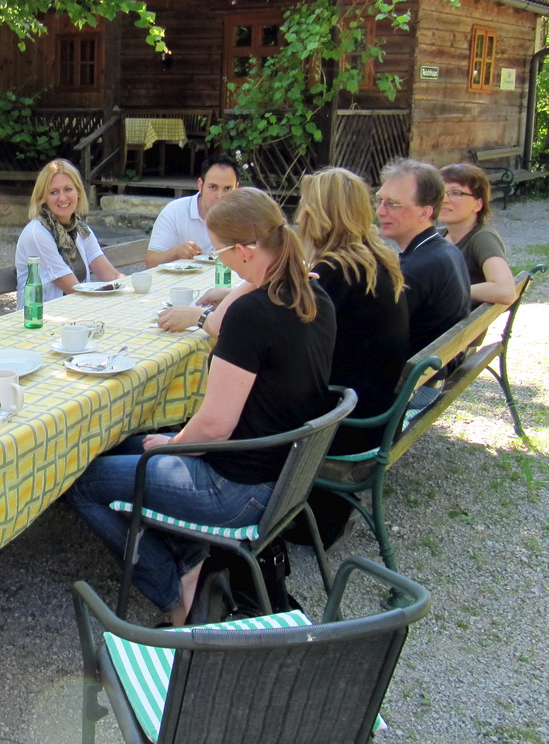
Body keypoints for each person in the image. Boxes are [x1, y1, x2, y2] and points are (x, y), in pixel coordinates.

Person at [67, 187, 335, 625]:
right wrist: (254, 275)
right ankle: (193, 558)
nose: (216, 257)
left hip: (237, 488)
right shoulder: (313, 293)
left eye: (219, 250)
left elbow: (213, 427)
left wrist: (173, 444)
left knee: (81, 480)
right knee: (119, 446)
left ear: (245, 251)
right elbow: (231, 312)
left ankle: (178, 595)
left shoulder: (253, 314)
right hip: (280, 473)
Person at [297, 167, 409, 439]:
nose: (298, 218)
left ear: (321, 216)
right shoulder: (374, 259)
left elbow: (291, 346)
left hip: (347, 423)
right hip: (376, 409)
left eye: (304, 207)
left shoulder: (336, 271)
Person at [375, 158, 470, 353]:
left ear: (424, 213)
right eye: (380, 200)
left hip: (416, 370)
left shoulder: (417, 269)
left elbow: (376, 336)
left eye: (392, 204)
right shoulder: (445, 250)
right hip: (435, 363)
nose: (380, 211)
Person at [14, 158, 123, 305]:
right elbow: (74, 288)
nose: (62, 197)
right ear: (43, 198)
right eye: (53, 192)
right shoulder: (37, 233)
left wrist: (130, 289)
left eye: (68, 189)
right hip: (42, 315)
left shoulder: (81, 230)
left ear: (78, 192)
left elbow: (111, 275)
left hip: (76, 309)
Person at [143, 155, 241, 268]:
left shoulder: (243, 216)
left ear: (236, 188)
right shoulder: (175, 211)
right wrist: (175, 252)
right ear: (200, 185)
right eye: (213, 187)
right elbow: (150, 263)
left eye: (227, 189)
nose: (220, 196)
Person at [440, 162, 516, 305]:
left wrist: (448, 293)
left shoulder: (482, 238)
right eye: (440, 192)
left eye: (455, 193)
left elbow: (505, 290)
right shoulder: (437, 236)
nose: (444, 200)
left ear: (478, 204)